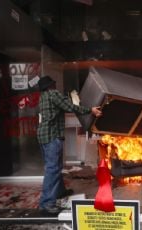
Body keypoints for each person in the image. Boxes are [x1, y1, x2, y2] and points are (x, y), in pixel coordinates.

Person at [37, 75, 102, 214]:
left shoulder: (42, 97)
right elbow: (70, 107)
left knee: (55, 167)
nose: (55, 86)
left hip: (43, 136)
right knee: (52, 169)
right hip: (52, 135)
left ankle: (59, 192)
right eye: (53, 84)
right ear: (50, 86)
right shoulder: (53, 94)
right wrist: (90, 110)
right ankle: (47, 203)